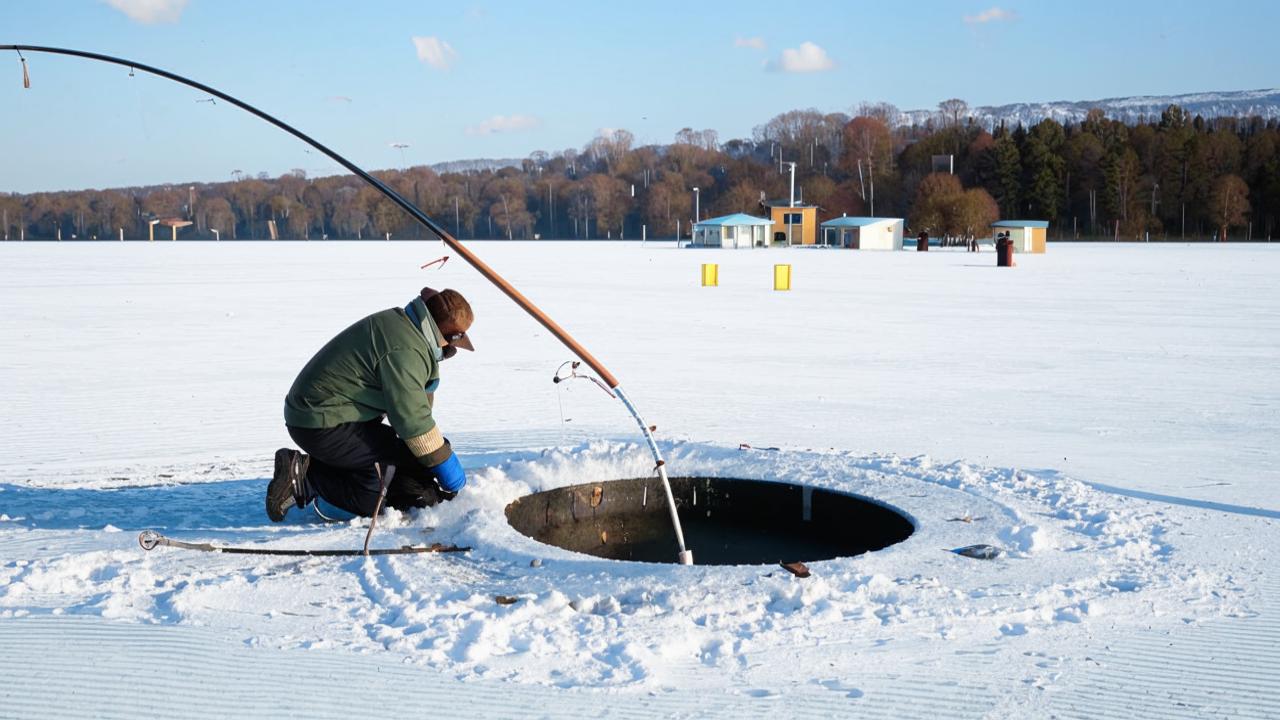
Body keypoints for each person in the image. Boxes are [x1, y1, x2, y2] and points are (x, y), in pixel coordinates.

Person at [266, 287, 475, 521]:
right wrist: (443, 461)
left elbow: (412, 407)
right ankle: (306, 478)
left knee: (399, 463)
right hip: (320, 422)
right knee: (372, 496)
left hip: (330, 414)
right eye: (454, 340)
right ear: (445, 335)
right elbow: (412, 421)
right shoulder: (405, 350)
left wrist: (425, 458)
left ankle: (332, 469)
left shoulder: (405, 327)